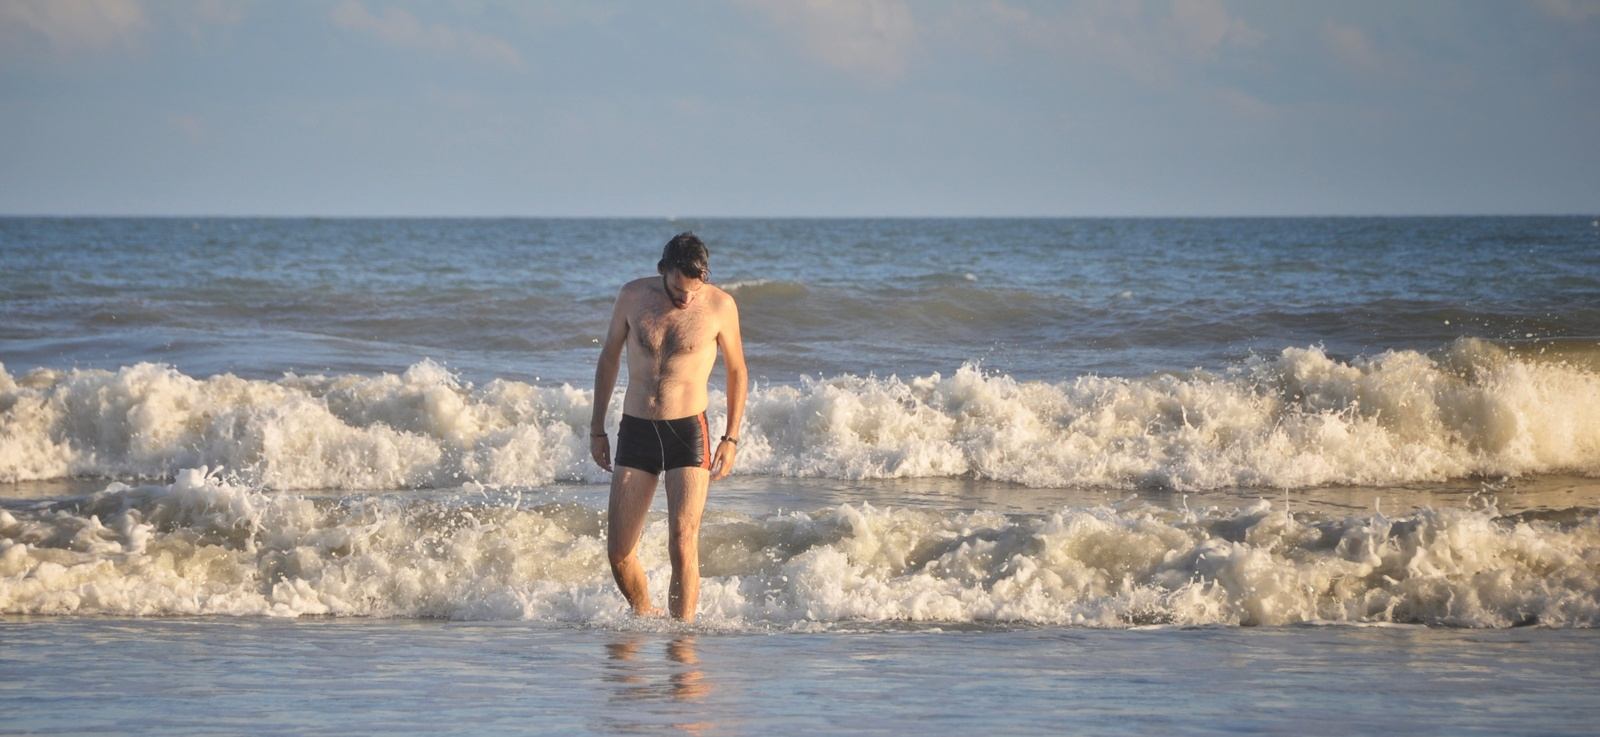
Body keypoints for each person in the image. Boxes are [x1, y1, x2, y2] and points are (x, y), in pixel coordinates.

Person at [589, 232, 747, 623]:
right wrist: (597, 428)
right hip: (637, 430)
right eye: (677, 289)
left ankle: (682, 637)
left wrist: (731, 438)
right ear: (663, 270)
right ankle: (645, 614)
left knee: (682, 541)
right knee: (619, 552)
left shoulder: (720, 306)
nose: (686, 299)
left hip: (688, 432)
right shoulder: (632, 296)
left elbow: (737, 371)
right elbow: (608, 359)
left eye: (694, 289)